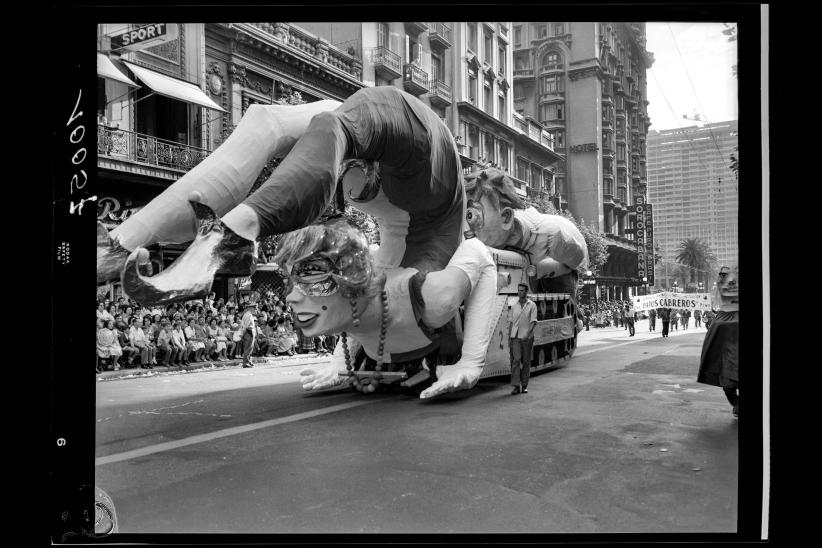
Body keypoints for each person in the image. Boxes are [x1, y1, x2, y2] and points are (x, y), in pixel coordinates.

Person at [697, 265, 739, 418]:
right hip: (726, 355)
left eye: (726, 275)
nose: (724, 278)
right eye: (721, 275)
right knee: (728, 383)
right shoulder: (720, 318)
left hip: (731, 348)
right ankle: (736, 404)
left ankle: (736, 404)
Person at [509, 283, 538, 395]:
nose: (520, 292)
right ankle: (516, 386)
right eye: (519, 290)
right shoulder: (514, 306)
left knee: (526, 362)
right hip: (515, 337)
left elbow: (533, 322)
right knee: (516, 360)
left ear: (526, 292)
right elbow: (511, 322)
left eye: (522, 290)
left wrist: (527, 334)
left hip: (527, 338)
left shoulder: (532, 305)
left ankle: (524, 385)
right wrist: (509, 338)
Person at [240, 302, 258, 368]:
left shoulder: (249, 314)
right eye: (254, 308)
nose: (255, 310)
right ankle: (245, 362)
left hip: (250, 332)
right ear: (250, 308)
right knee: (247, 348)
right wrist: (243, 334)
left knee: (250, 348)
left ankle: (248, 361)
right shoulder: (248, 315)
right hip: (248, 332)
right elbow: (246, 326)